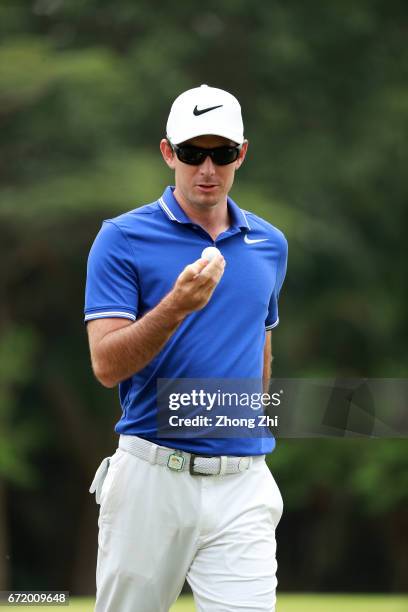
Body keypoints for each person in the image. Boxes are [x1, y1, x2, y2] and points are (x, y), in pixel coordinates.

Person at [85, 84, 288, 612]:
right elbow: (106, 365)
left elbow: (260, 352)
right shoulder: (121, 238)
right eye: (192, 152)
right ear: (167, 152)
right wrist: (176, 305)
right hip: (153, 478)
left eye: (221, 154)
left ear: (241, 154)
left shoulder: (269, 244)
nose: (207, 168)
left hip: (243, 484)